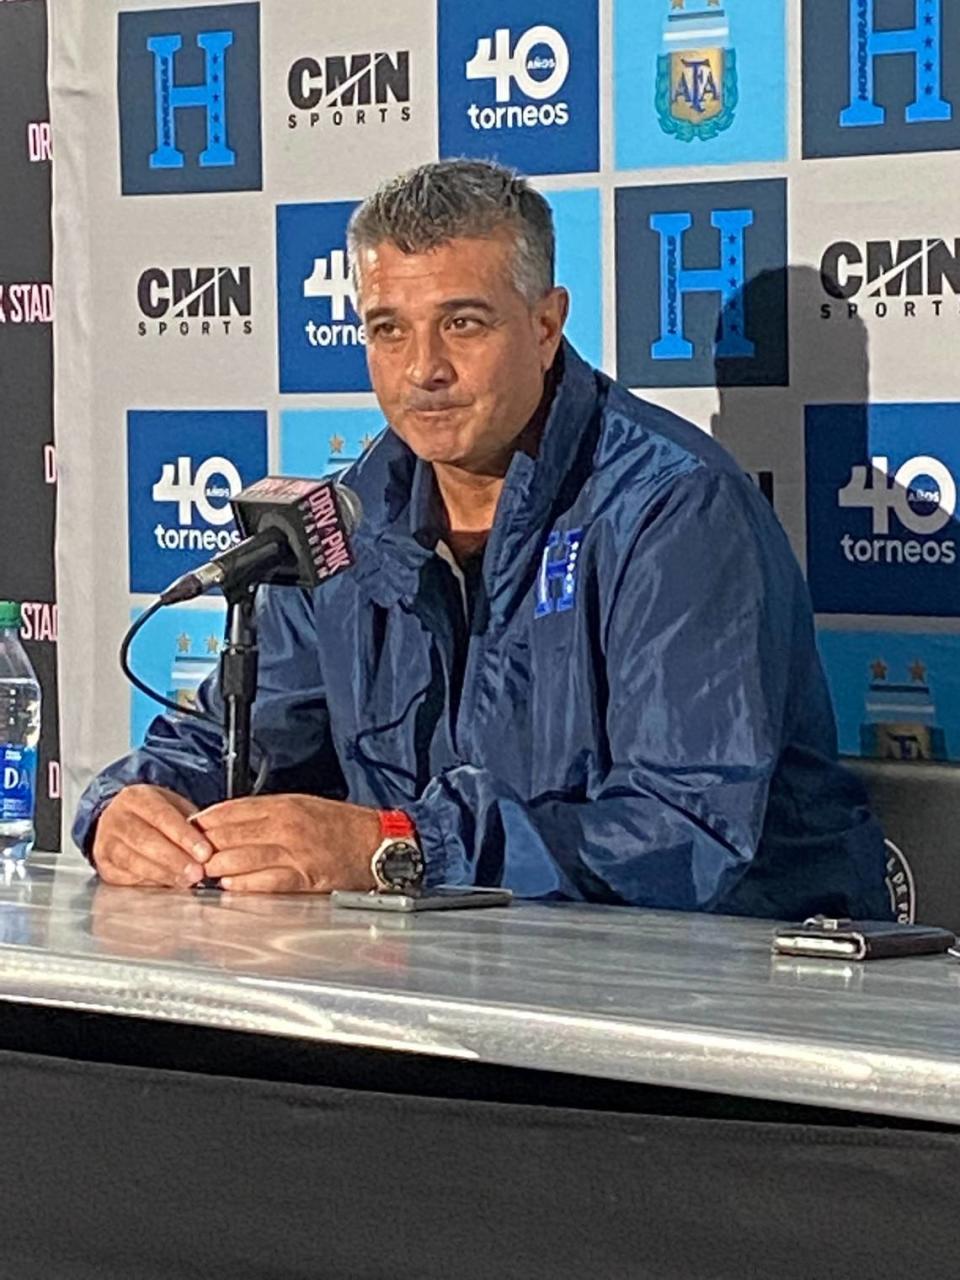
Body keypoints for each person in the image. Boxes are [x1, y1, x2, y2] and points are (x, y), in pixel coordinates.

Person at [73, 158, 889, 917]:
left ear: (545, 324)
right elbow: (235, 739)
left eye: (461, 323)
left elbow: (685, 832)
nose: (422, 368)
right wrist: (131, 804)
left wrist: (395, 847)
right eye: (388, 329)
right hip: (452, 984)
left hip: (726, 989)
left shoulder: (676, 509)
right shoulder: (351, 518)